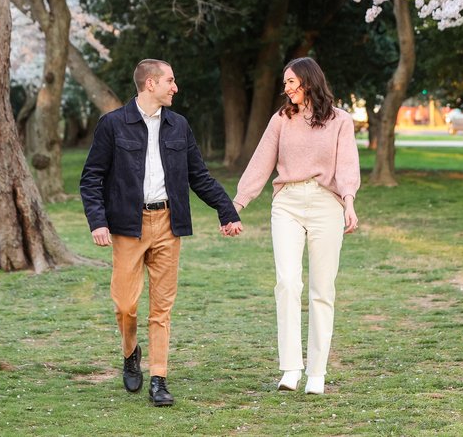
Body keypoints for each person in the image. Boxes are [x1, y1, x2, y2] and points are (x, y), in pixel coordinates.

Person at [80, 59, 243, 407]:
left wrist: (226, 211)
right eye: (170, 80)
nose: (175, 87)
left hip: (169, 224)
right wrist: (98, 221)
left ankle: (159, 378)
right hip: (127, 226)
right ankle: (130, 352)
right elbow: (91, 177)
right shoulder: (112, 125)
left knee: (162, 309)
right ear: (150, 83)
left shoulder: (179, 126)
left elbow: (198, 176)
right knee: (125, 305)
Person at [233, 57, 360, 395]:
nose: (286, 88)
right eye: (285, 83)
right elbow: (261, 160)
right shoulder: (281, 119)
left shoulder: (340, 121)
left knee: (323, 289)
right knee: (287, 283)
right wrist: (238, 203)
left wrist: (349, 202)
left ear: (308, 81)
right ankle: (291, 367)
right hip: (287, 202)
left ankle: (317, 372)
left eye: (291, 82)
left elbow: (347, 165)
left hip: (325, 204)